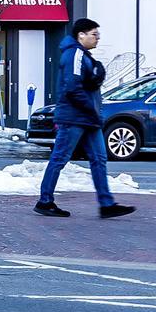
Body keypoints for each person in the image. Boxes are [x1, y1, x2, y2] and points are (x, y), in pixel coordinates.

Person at [37, 17, 135, 220]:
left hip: (88, 119)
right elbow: (72, 87)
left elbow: (86, 84)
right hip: (74, 118)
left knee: (99, 159)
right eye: (94, 34)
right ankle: (44, 201)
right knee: (59, 159)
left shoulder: (84, 56)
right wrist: (91, 109)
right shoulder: (74, 54)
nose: (97, 38)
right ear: (81, 35)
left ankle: (106, 204)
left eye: (98, 34)